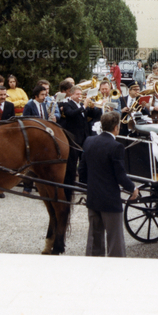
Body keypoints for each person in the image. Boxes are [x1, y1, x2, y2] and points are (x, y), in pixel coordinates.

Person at [78, 111, 139, 257]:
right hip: (110, 200)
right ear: (116, 127)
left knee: (94, 239)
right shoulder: (116, 146)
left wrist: (91, 185)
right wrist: (133, 188)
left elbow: (82, 170)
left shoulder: (89, 141)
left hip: (93, 197)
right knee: (114, 240)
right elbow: (120, 176)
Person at [60, 86, 102, 185]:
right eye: (77, 94)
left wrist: (92, 108)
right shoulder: (67, 105)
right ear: (71, 94)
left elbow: (95, 115)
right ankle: (70, 184)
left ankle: (84, 183)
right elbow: (71, 114)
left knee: (84, 161)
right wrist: (84, 106)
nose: (80, 96)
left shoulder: (82, 105)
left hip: (84, 137)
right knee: (73, 162)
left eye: (80, 94)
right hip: (74, 137)